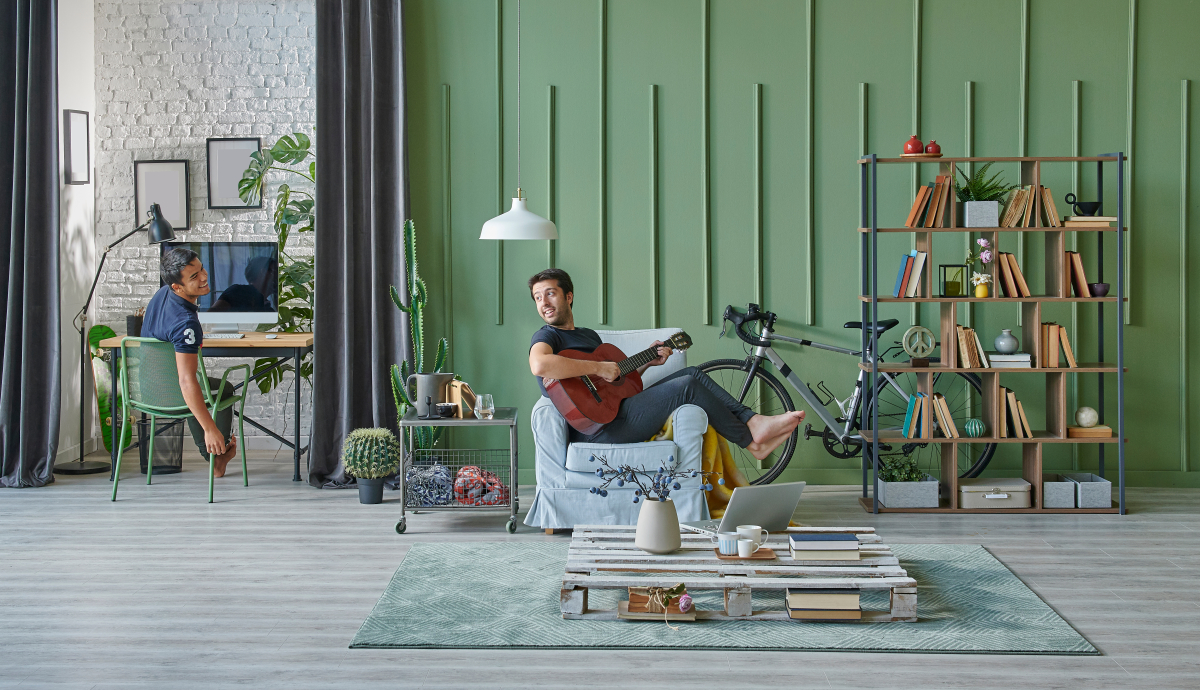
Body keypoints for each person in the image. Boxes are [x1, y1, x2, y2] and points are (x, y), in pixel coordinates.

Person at [527, 268, 804, 459]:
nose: (544, 303)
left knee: (692, 373)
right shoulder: (547, 336)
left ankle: (752, 432)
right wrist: (599, 367)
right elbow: (540, 365)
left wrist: (648, 363)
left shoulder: (589, 336)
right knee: (687, 385)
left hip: (620, 412)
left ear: (569, 296)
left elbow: (618, 385)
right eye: (538, 298)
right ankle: (751, 434)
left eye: (550, 293)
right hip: (598, 430)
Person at [141, 247, 240, 476]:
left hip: (145, 390)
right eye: (194, 277)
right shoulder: (186, 323)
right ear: (177, 286)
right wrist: (210, 429)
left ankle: (214, 456)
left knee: (201, 385)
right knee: (220, 388)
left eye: (202, 269)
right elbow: (186, 382)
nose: (204, 277)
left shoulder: (162, 293)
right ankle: (217, 457)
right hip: (171, 394)